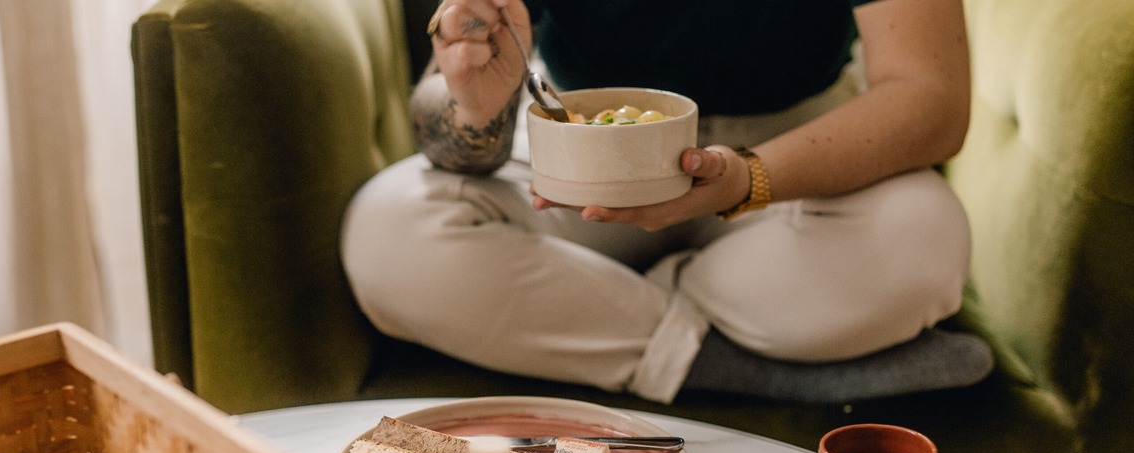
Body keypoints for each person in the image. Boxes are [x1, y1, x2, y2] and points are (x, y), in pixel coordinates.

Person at [340, 0, 993, 404]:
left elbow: (932, 97)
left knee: (925, 234)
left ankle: (598, 307)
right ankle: (734, 363)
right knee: (387, 230)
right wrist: (475, 110)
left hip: (794, 155)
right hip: (578, 144)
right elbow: (443, 115)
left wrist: (747, 179)